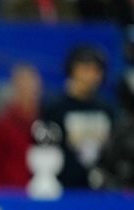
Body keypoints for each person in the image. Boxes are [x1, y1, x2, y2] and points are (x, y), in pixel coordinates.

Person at [37, 44, 114, 189]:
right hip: (64, 188)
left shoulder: (107, 110)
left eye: (96, 71)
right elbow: (44, 150)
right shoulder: (54, 109)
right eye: (85, 69)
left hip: (102, 190)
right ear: (72, 71)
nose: (91, 76)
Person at [0, 63, 43, 189]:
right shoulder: (0, 127)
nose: (27, 91)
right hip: (10, 195)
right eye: (22, 86)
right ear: (14, 89)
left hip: (42, 195)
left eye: (31, 86)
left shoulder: (47, 124)